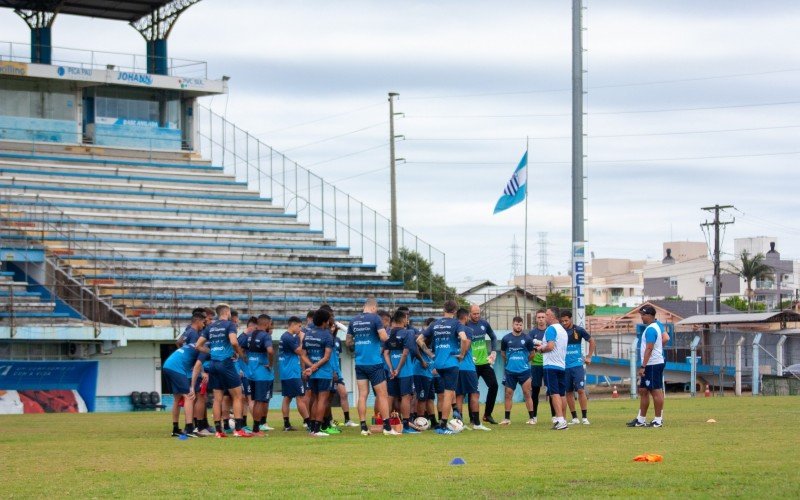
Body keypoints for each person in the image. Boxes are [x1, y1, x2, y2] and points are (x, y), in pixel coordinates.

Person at [194, 303, 252, 438]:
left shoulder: (210, 327)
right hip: (226, 363)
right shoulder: (230, 325)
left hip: (213, 364)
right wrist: (239, 354)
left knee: (217, 399)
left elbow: (198, 345)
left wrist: (212, 351)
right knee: (238, 396)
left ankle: (219, 431)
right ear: (227, 313)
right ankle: (238, 429)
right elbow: (233, 342)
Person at [418, 300, 470, 435]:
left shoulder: (435, 324)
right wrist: (462, 354)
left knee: (448, 391)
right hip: (451, 363)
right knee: (448, 393)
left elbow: (419, 340)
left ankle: (452, 414)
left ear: (444, 310)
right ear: (455, 311)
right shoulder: (456, 323)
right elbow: (464, 339)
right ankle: (442, 424)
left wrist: (430, 354)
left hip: (438, 363)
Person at [345, 298, 396, 436]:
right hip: (374, 363)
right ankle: (387, 427)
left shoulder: (353, 320)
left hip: (360, 363)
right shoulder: (375, 318)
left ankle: (363, 427)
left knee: (362, 395)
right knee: (382, 395)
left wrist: (358, 345)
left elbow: (348, 341)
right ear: (374, 308)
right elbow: (384, 337)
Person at [163, 314, 208, 437]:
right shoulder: (204, 348)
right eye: (203, 323)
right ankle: (189, 428)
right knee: (189, 396)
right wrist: (192, 386)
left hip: (168, 365)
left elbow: (180, 344)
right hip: (176, 368)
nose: (204, 325)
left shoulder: (194, 345)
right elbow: (197, 368)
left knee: (177, 398)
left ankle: (175, 428)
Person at [627, 305, 666, 428]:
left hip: (653, 364)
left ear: (649, 315)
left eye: (643, 315)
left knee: (656, 391)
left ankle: (658, 420)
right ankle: (641, 419)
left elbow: (649, 348)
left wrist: (643, 366)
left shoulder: (651, 329)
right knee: (643, 390)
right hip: (651, 363)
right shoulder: (651, 327)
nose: (642, 317)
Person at [301, 308, 336, 437]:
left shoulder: (308, 334)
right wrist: (315, 367)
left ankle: (312, 428)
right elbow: (327, 357)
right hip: (323, 372)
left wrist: (310, 367)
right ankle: (317, 429)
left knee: (315, 399)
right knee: (322, 400)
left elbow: (303, 355)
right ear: (324, 321)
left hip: (312, 373)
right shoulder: (327, 335)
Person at [383, 309, 419, 434]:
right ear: (403, 320)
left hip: (391, 371)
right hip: (405, 371)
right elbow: (405, 353)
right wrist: (398, 369)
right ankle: (406, 426)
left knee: (390, 396)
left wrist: (391, 369)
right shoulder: (407, 333)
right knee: (406, 396)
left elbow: (386, 353)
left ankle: (386, 425)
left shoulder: (388, 333)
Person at [456, 308, 490, 431]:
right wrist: (462, 355)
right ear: (466, 317)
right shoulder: (467, 329)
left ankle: (459, 423)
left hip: (456, 368)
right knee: (474, 394)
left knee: (459, 395)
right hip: (468, 367)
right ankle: (476, 423)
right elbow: (467, 343)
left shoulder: (453, 329)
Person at [560, 310, 596, 425]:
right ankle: (574, 417)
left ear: (571, 319)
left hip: (577, 365)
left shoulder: (578, 330)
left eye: (566, 320)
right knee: (568, 392)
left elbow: (591, 341)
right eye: (562, 321)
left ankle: (584, 417)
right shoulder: (560, 331)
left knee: (580, 390)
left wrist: (589, 356)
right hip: (564, 367)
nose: (564, 323)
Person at [499, 316, 537, 426]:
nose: (518, 326)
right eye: (516, 324)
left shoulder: (527, 339)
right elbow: (503, 353)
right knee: (508, 394)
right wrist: (510, 362)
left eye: (520, 325)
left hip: (524, 371)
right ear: (512, 325)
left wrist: (524, 361)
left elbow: (532, 354)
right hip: (510, 371)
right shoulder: (506, 339)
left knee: (527, 393)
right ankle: (507, 419)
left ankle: (531, 418)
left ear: (522, 326)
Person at [536, 306, 569, 430]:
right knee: (562, 394)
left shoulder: (551, 329)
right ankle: (564, 420)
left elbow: (550, 346)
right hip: (561, 365)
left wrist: (540, 349)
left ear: (553, 316)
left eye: (547, 315)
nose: (545, 317)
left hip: (551, 365)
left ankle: (560, 420)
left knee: (554, 393)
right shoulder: (563, 330)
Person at [467, 305, 500, 425]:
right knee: (472, 390)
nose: (477, 316)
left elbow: (493, 337)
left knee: (494, 386)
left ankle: (487, 414)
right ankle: (472, 418)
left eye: (478, 313)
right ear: (469, 314)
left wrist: (493, 351)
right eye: (474, 313)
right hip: (472, 364)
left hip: (485, 362)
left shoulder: (484, 324)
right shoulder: (465, 325)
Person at [279, 316, 310, 431]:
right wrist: (302, 338)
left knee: (287, 397)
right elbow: (300, 352)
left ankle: (286, 424)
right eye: (299, 326)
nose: (300, 329)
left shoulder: (285, 336)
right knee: (300, 397)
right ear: (293, 325)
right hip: (291, 372)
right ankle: (308, 422)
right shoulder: (289, 337)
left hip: (287, 371)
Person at [246, 314, 275, 436]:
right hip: (262, 374)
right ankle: (256, 429)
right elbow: (270, 351)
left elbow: (239, 348)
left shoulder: (249, 335)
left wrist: (245, 359)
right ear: (267, 324)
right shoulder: (266, 336)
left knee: (256, 400)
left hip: (251, 372)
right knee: (259, 401)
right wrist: (270, 363)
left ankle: (256, 428)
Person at [528, 309, 547, 424]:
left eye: (543, 317)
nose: (540, 319)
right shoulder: (532, 333)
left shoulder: (550, 331)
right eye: (539, 317)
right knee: (535, 391)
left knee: (551, 391)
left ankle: (555, 416)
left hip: (548, 364)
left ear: (546, 318)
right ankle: (533, 416)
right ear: (536, 319)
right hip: (535, 365)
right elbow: (528, 348)